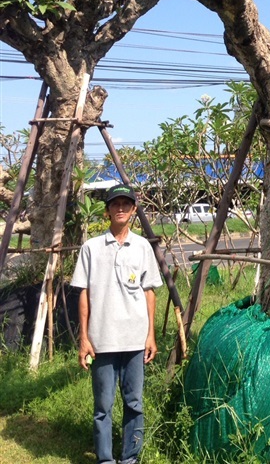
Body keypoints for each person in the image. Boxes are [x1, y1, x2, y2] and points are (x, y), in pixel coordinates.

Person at [71, 183, 163, 464]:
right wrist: (84, 339)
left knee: (134, 404)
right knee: (103, 406)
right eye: (115, 204)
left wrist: (151, 335)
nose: (120, 208)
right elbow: (84, 294)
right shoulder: (92, 248)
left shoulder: (142, 246)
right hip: (102, 341)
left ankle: (130, 458)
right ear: (107, 210)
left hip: (135, 340)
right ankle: (106, 460)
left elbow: (149, 293)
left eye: (126, 203)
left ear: (134, 209)